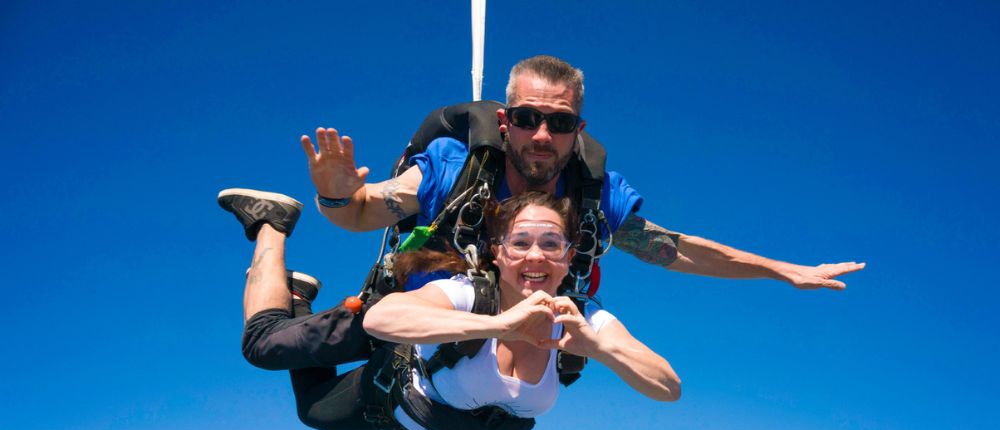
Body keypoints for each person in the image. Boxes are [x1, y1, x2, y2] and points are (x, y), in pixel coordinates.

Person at [300, 54, 865, 291]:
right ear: (504, 122)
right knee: (287, 367)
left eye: (560, 122)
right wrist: (335, 196)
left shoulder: (593, 194)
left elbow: (678, 249)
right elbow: (369, 211)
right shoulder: (455, 167)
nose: (542, 135)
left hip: (508, 329)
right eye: (527, 118)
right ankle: (273, 234)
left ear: (579, 127)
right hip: (424, 309)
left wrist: (781, 270)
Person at [221, 189, 679, 430]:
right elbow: (381, 319)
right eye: (520, 243)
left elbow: (668, 387)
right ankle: (271, 228)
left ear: (568, 256)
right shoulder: (469, 295)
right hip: (391, 392)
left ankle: (299, 295)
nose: (535, 256)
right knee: (290, 382)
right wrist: (501, 324)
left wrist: (599, 347)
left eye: (551, 243)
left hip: (452, 425)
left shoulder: (583, 320)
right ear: (497, 253)